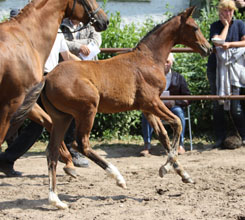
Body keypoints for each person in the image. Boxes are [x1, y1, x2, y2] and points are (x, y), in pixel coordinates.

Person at [0, 30, 88, 177]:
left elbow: (67, 57)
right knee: (38, 123)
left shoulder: (58, 34)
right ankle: (67, 155)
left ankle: (8, 159)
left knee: (42, 124)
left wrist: (90, 67)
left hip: (51, 82)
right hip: (36, 81)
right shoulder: (31, 34)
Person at [59, 18, 102, 161]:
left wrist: (84, 47)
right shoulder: (62, 24)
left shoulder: (89, 23)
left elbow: (97, 40)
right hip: (69, 71)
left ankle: (71, 147)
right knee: (74, 110)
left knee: (82, 110)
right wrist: (80, 47)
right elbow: (62, 43)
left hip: (87, 70)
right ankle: (71, 147)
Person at [207, 0, 245, 149]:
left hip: (235, 70)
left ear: (234, 11)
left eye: (230, 11)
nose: (228, 14)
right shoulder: (215, 26)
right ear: (219, 12)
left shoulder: (241, 24)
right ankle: (219, 138)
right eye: (224, 11)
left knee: (236, 106)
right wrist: (227, 26)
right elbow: (217, 42)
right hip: (216, 69)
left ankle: (243, 136)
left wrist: (229, 45)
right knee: (217, 105)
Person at [140, 53, 191, 157]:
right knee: (147, 114)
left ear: (172, 63)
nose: (165, 64)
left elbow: (188, 98)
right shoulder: (151, 78)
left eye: (167, 62)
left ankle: (179, 145)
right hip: (156, 108)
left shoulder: (179, 78)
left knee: (179, 112)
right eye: (163, 62)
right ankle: (147, 145)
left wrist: (175, 102)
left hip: (173, 108)